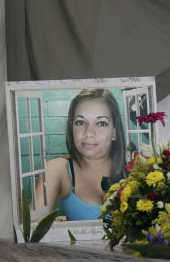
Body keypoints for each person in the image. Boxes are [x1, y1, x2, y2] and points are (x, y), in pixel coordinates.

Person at [34, 89, 127, 221]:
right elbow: (29, 231)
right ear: (71, 128)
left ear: (114, 133)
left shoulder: (134, 170)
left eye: (101, 123)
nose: (89, 133)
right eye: (80, 122)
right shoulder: (57, 170)